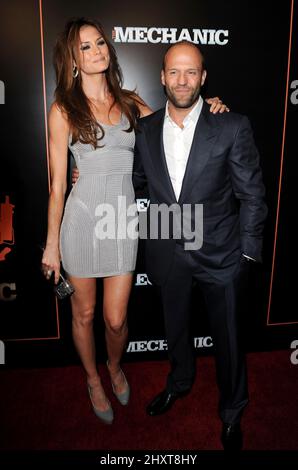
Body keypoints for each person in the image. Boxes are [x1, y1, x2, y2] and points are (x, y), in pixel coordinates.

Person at [42, 18, 226, 425]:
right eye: (86, 47)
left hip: (122, 221)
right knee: (84, 316)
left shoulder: (130, 102)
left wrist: (209, 107)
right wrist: (51, 244)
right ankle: (93, 378)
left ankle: (114, 365)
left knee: (115, 319)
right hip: (82, 220)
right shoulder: (62, 109)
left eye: (100, 43)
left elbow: (177, 125)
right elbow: (57, 185)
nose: (98, 51)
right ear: (72, 59)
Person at [133, 41, 267, 450]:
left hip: (221, 254)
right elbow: (138, 182)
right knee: (175, 330)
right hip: (167, 249)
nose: (182, 80)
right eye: (174, 71)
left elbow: (253, 195)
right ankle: (180, 382)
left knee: (228, 338)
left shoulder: (230, 125)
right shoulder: (146, 128)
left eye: (191, 72)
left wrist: (247, 251)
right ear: (161, 76)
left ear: (203, 78)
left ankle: (232, 410)